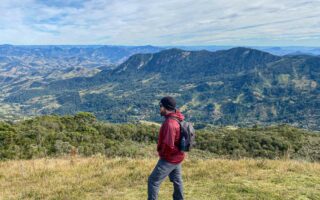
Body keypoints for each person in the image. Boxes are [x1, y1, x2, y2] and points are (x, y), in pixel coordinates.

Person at [148, 96, 185, 200]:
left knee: (153, 181)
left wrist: (162, 155)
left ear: (165, 107)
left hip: (169, 159)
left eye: (160, 106)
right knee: (177, 180)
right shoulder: (177, 117)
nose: (159, 108)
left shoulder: (170, 123)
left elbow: (168, 146)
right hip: (178, 156)